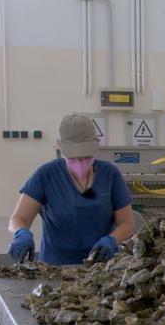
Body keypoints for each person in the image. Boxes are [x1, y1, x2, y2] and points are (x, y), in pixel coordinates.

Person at [8, 113, 135, 264]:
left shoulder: (110, 175)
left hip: (100, 266)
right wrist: (21, 234)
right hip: (55, 267)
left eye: (86, 157)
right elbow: (19, 218)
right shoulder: (46, 175)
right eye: (73, 158)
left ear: (96, 146)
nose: (80, 163)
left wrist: (112, 240)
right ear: (60, 147)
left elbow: (126, 223)